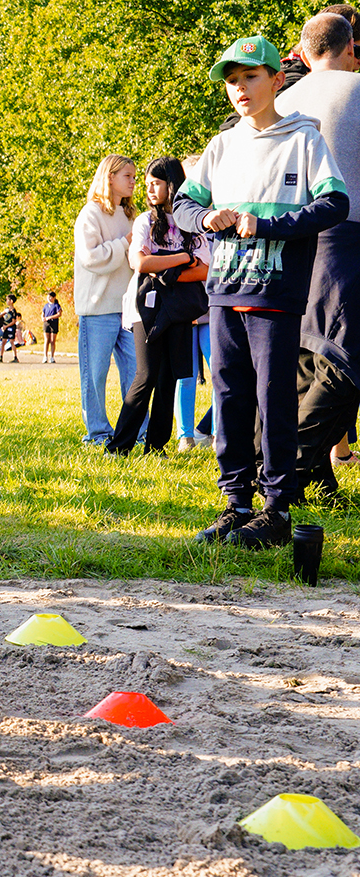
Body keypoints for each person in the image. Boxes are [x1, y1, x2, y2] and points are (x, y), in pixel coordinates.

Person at [175, 34, 349, 547]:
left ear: (277, 79)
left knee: (274, 400)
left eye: (250, 77)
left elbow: (334, 204)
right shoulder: (223, 143)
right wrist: (209, 215)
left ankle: (276, 510)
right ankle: (235, 503)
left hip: (275, 292)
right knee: (229, 397)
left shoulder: (305, 139)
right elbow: (186, 205)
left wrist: (270, 225)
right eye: (231, 81)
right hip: (223, 290)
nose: (240, 89)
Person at [277, 13, 360, 501]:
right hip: (345, 238)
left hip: (287, 240)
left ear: (304, 54)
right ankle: (291, 467)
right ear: (349, 46)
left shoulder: (282, 101)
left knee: (307, 360)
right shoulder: (355, 92)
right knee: (347, 363)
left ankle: (293, 469)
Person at [106, 158, 210, 457]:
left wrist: (164, 267)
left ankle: (155, 447)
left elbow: (204, 269)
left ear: (172, 185)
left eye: (156, 183)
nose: (148, 189)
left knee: (169, 378)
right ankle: (119, 446)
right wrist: (180, 259)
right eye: (146, 183)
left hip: (180, 309)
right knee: (147, 375)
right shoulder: (145, 222)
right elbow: (140, 263)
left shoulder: (191, 223)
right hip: (146, 307)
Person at [75, 154, 139, 445]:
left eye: (134, 177)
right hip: (97, 308)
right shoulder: (90, 214)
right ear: (110, 177)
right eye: (128, 176)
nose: (133, 182)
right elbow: (91, 258)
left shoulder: (129, 216)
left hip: (126, 308)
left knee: (136, 373)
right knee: (95, 375)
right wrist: (124, 244)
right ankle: (98, 432)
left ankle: (138, 431)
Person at [0, 295, 22, 362]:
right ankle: (1, 357)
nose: (6, 301)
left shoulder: (13, 311)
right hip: (5, 328)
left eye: (8, 300)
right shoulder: (6, 309)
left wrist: (6, 326)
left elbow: (13, 321)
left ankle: (15, 357)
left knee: (11, 341)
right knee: (3, 342)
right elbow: (1, 316)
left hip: (11, 328)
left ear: (11, 301)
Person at [41, 290, 61, 362]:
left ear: (54, 297)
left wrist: (50, 317)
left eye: (51, 297)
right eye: (48, 297)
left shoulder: (56, 305)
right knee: (46, 340)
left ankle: (52, 356)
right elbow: (43, 313)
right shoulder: (46, 305)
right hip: (46, 323)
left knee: (52, 341)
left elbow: (59, 314)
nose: (49, 298)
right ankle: (45, 356)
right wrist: (43, 317)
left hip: (54, 323)